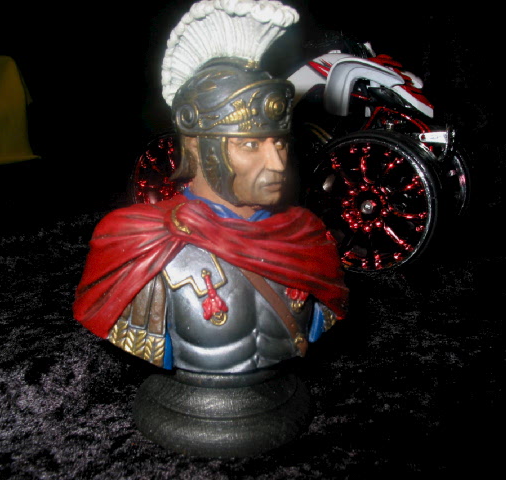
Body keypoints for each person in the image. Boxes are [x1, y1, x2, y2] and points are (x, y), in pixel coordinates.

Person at [73, 0, 348, 373]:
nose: (277, 164)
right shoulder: (137, 244)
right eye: (250, 145)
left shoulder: (309, 237)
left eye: (280, 144)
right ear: (196, 149)